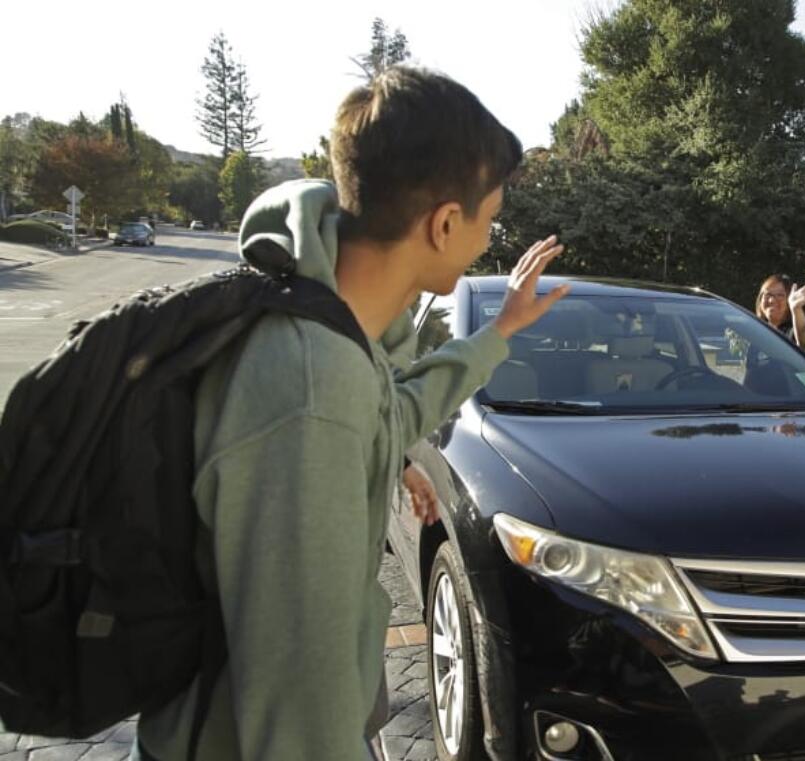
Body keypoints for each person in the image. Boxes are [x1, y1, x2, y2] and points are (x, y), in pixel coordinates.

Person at [131, 67, 567, 761]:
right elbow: (296, 686)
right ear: (446, 223)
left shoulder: (328, 331)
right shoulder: (311, 389)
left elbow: (390, 410)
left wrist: (498, 332)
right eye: (490, 218)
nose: (489, 239)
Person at [755, 273, 805, 351]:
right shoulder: (756, 329)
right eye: (768, 294)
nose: (771, 300)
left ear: (789, 300)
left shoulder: (793, 330)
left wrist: (796, 308)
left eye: (780, 295)